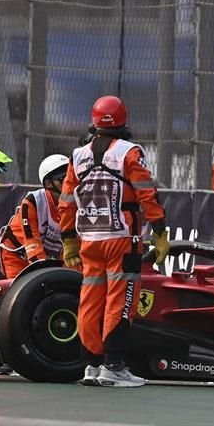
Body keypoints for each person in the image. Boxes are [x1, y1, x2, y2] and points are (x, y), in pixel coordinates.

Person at [58, 95, 169, 388]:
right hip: (122, 240)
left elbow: (66, 201)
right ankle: (114, 366)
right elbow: (147, 194)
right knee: (121, 301)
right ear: (123, 120)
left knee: (90, 302)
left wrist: (68, 238)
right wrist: (159, 232)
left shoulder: (77, 156)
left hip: (89, 240)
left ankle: (92, 366)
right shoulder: (129, 152)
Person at [0, 154, 70, 278]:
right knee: (21, 288)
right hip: (17, 254)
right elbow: (32, 244)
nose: (70, 183)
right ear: (48, 183)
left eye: (71, 177)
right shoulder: (33, 201)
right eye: (63, 178)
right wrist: (44, 274)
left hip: (48, 255)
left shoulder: (76, 203)